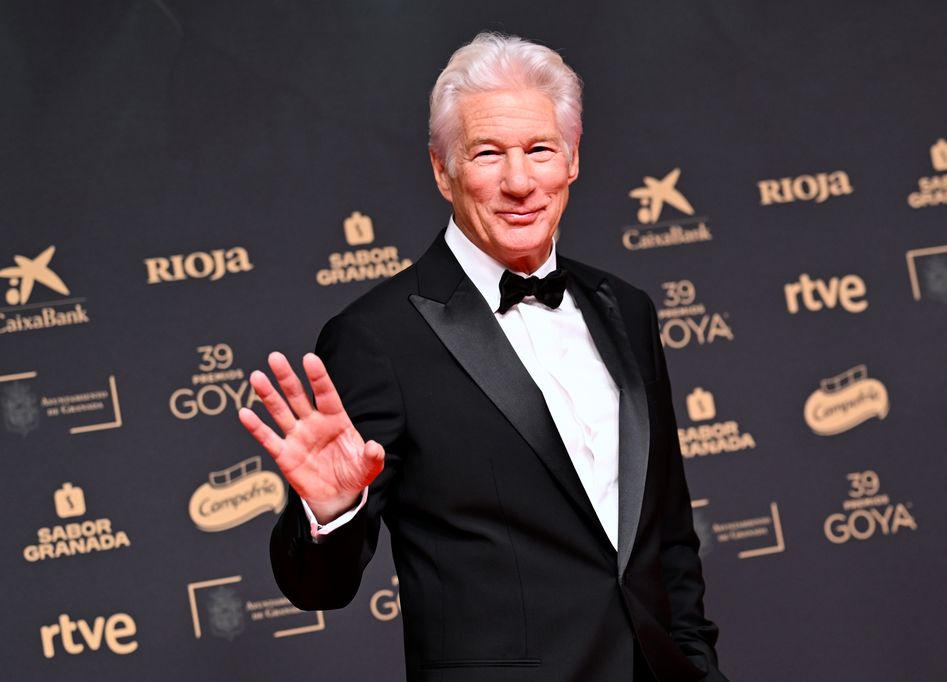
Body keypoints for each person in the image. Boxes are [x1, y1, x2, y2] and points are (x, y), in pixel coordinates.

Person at [239, 32, 727, 682]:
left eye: (539, 150)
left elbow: (667, 539)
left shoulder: (627, 309)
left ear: (573, 159)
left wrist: (698, 668)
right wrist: (331, 511)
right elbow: (318, 588)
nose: (519, 181)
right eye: (488, 153)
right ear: (443, 170)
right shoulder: (377, 338)